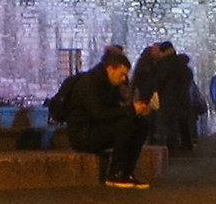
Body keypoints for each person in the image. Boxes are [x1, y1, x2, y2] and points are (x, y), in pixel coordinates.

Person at [53, 45, 154, 187]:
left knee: (141, 124)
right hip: (84, 135)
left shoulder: (109, 84)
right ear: (110, 69)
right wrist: (131, 110)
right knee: (126, 124)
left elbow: (113, 110)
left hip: (99, 129)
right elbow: (99, 113)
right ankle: (116, 174)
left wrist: (136, 111)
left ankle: (127, 171)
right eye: (122, 74)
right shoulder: (89, 83)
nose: (124, 79)